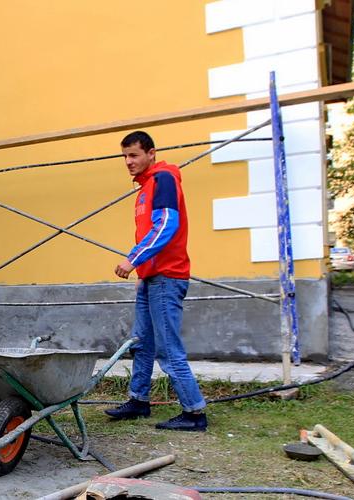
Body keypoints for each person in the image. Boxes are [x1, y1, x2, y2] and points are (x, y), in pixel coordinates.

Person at [104, 131, 208, 432]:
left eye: (134, 155)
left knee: (167, 348)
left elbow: (165, 226)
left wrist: (133, 260)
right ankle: (138, 400)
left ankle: (194, 412)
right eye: (124, 156)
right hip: (151, 277)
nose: (128, 161)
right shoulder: (146, 187)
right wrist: (143, 273)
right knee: (142, 343)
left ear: (151, 153)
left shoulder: (163, 179)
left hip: (167, 277)